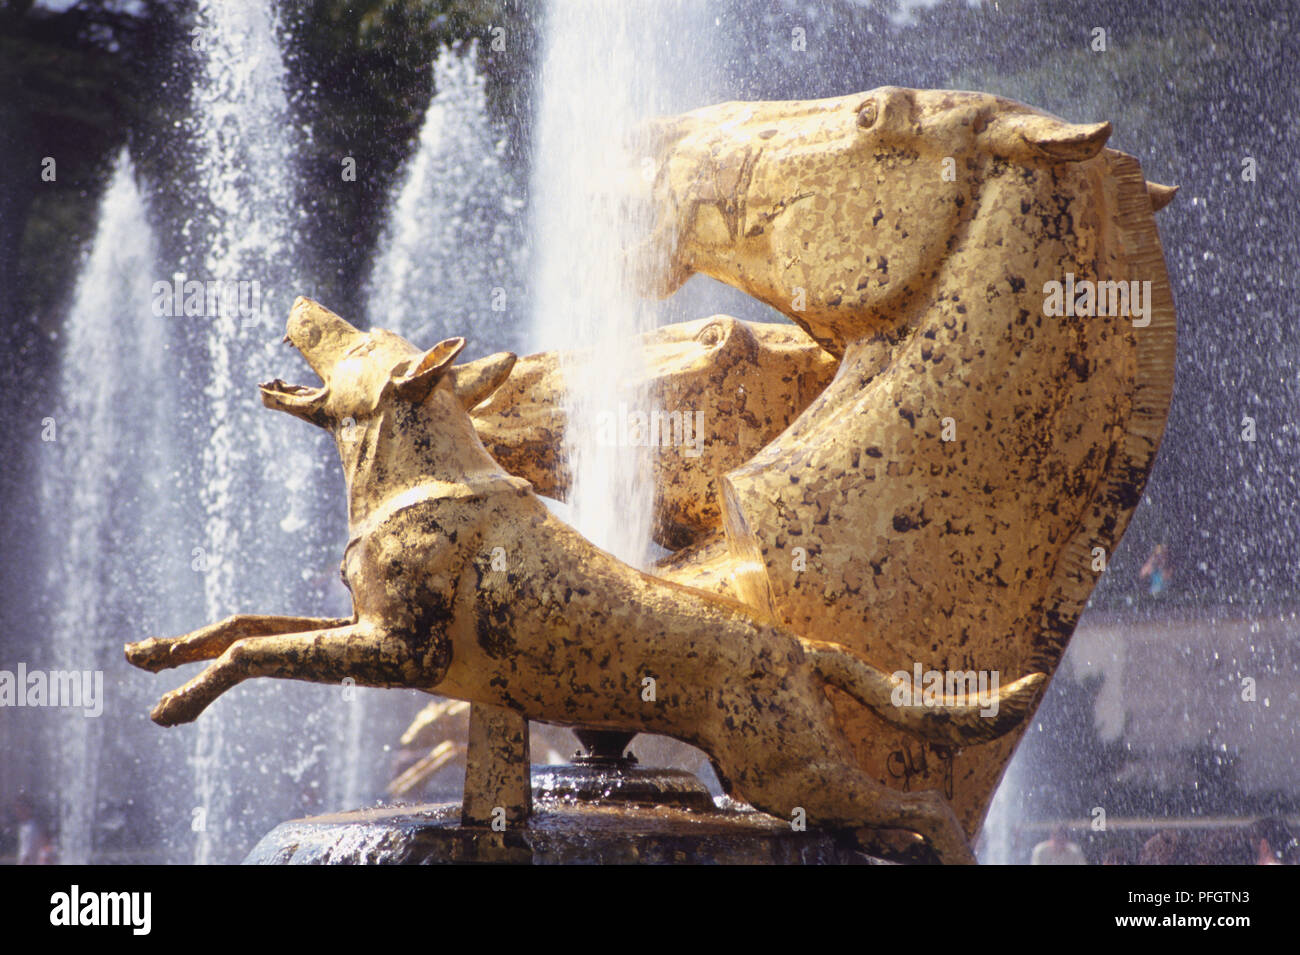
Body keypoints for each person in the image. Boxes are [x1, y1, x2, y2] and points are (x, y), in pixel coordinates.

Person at [13, 795, 55, 865]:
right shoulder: (24, 826)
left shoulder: (32, 827)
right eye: (17, 808)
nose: (17, 812)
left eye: (21, 808)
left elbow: (27, 855)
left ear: (28, 809)